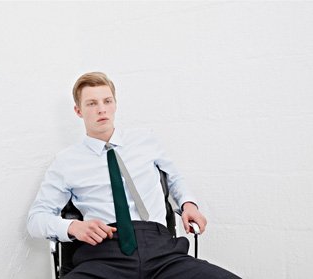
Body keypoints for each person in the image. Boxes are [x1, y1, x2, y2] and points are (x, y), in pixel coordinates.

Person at [27, 72, 240, 278]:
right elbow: (36, 219)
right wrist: (73, 226)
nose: (102, 109)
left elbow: (174, 178)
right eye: (92, 104)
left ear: (115, 104)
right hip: (103, 254)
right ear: (78, 111)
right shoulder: (66, 162)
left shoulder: (146, 141)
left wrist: (188, 204)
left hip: (161, 251)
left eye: (107, 101)